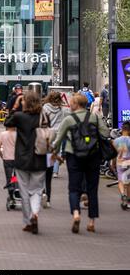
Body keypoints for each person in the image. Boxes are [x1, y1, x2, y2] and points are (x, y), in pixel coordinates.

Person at [52, 93, 110, 233]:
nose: (70, 105)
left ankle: (76, 214)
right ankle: (91, 222)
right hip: (93, 156)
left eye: (71, 103)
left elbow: (58, 139)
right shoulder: (95, 117)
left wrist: (54, 153)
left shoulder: (69, 119)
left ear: (76, 104)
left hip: (74, 156)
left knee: (74, 187)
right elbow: (106, 133)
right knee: (92, 189)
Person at [4, 91, 47, 234]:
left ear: (26, 102)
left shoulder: (19, 117)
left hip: (22, 158)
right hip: (39, 157)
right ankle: (35, 212)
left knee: (24, 192)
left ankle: (28, 220)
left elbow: (7, 123)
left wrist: (15, 106)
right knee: (37, 190)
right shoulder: (43, 116)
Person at [42, 91, 64, 207]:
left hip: (46, 136)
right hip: (57, 135)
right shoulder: (61, 109)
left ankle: (42, 192)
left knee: (42, 170)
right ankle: (49, 199)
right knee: (56, 154)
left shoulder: (45, 107)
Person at [0, 126, 17, 205]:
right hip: (17, 160)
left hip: (7, 159)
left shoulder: (3, 134)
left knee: (9, 179)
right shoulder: (18, 134)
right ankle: (16, 194)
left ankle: (11, 197)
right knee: (16, 178)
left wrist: (2, 156)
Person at [113, 121, 130, 210]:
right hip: (129, 162)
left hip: (119, 162)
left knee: (120, 181)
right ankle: (129, 201)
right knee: (128, 182)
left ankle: (123, 194)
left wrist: (112, 164)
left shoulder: (116, 141)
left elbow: (114, 154)